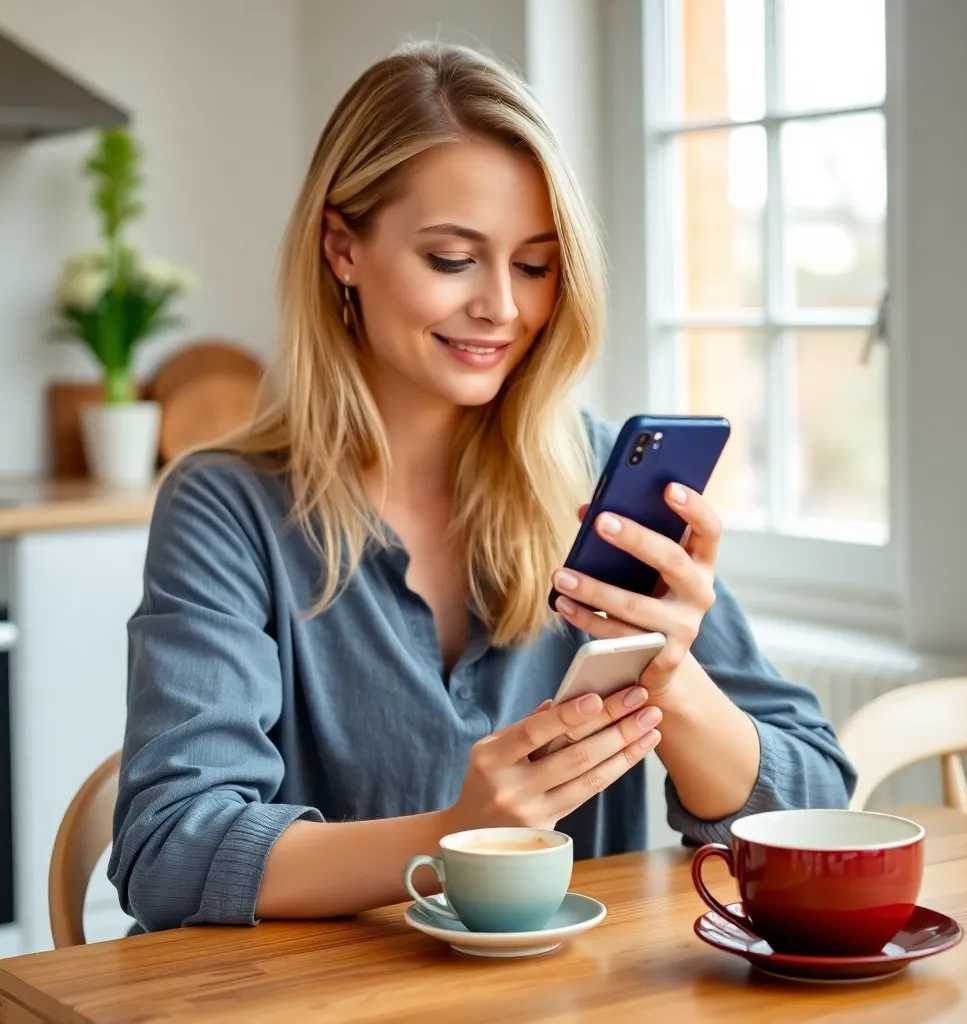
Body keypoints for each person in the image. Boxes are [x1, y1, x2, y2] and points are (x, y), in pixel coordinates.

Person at [108, 41, 856, 933]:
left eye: (535, 266)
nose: (503, 306)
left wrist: (673, 675)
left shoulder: (596, 477)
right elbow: (169, 850)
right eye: (454, 259)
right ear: (342, 247)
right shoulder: (227, 508)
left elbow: (814, 805)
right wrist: (459, 834)